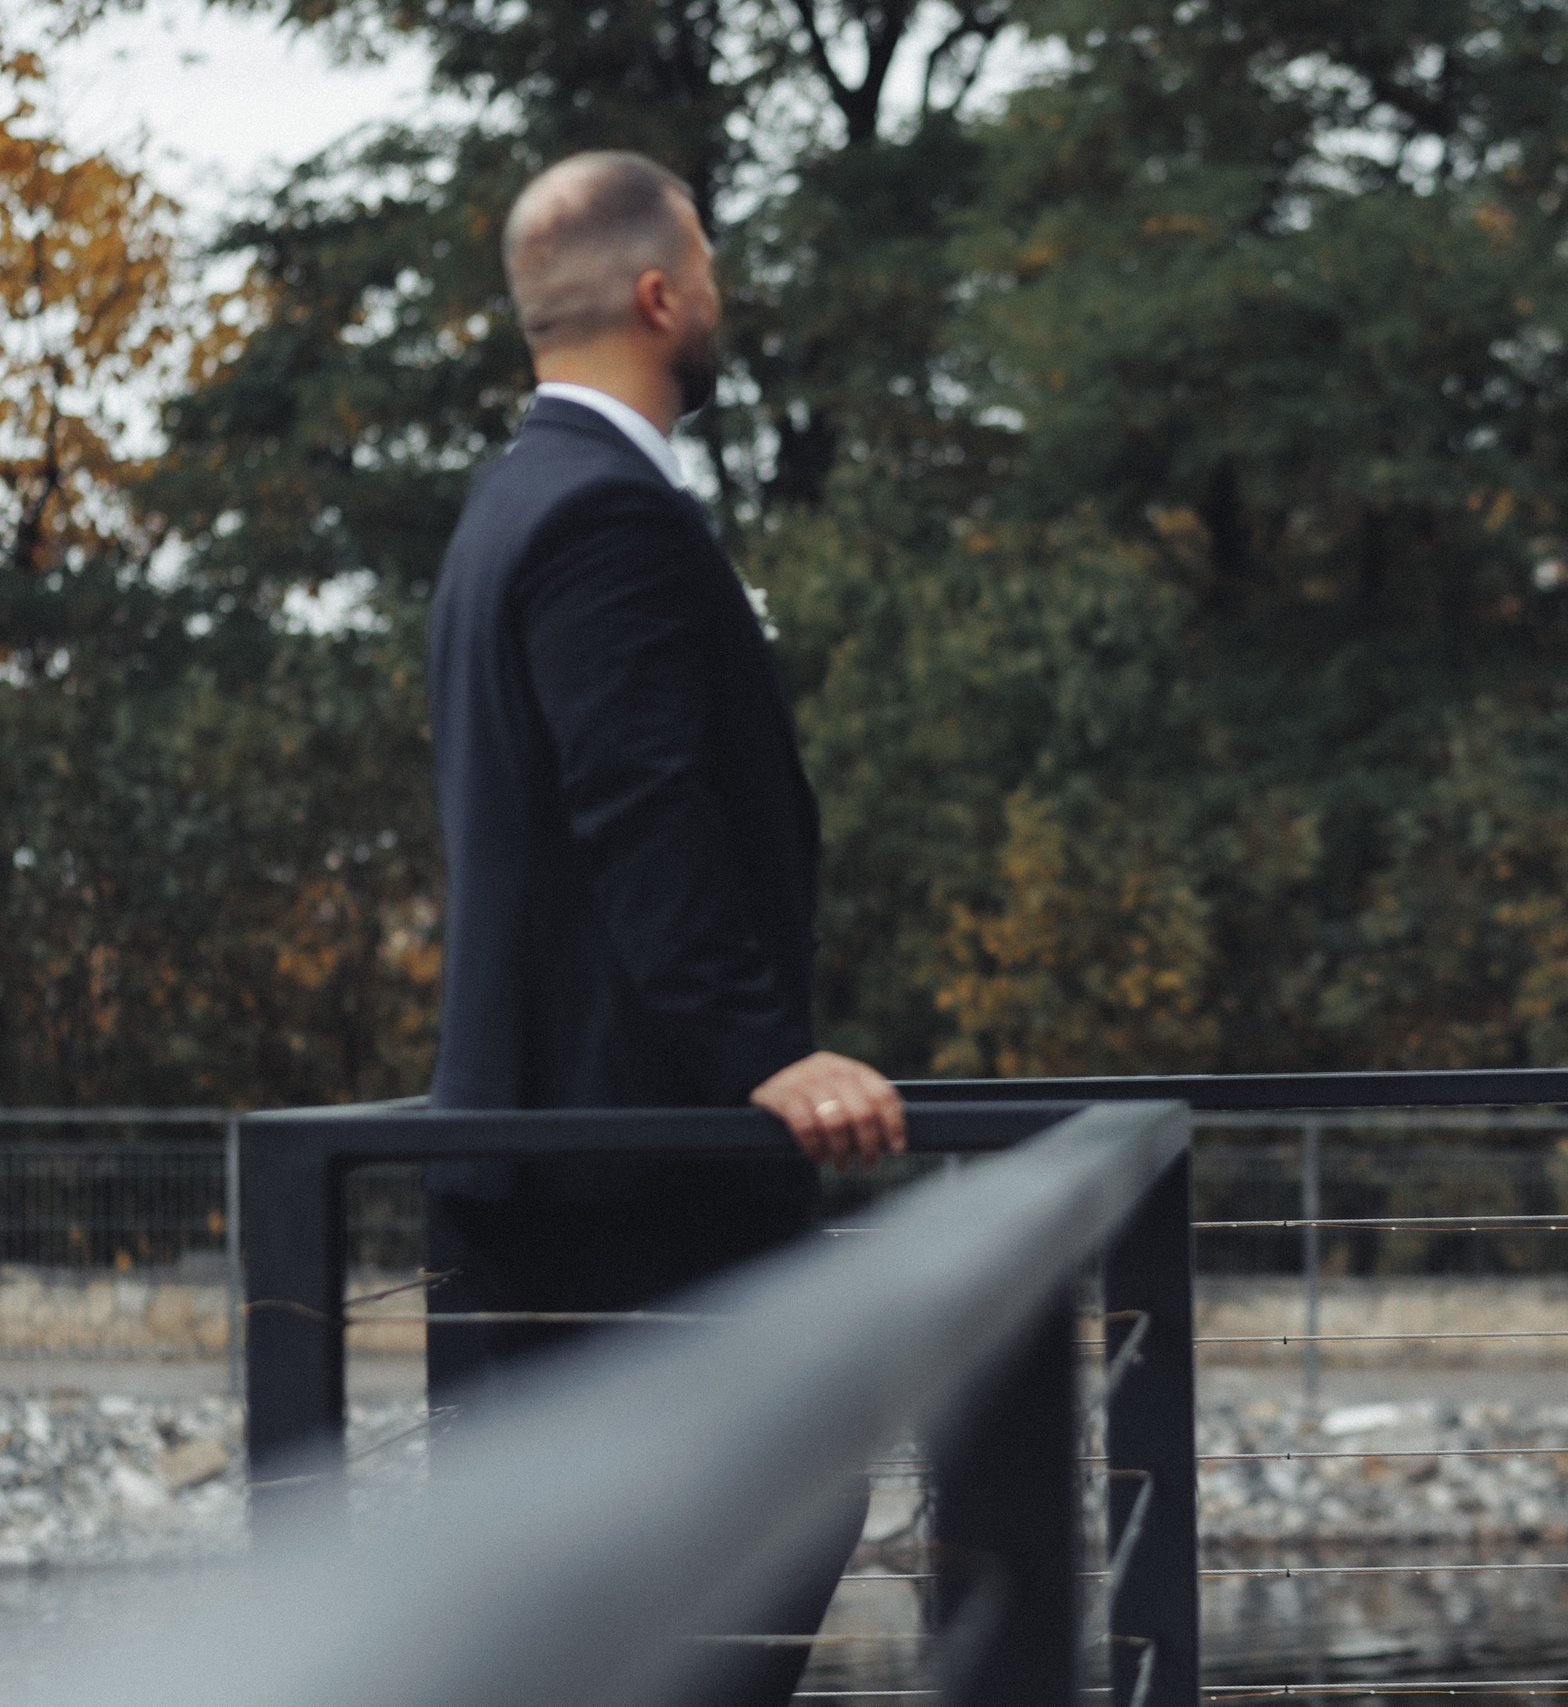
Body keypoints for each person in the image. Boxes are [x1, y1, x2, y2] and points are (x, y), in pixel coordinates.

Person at [425, 150, 903, 1706]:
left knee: (589, 1625)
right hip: (626, 1179)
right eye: (705, 265)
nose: (717, 295)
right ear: (658, 294)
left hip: (547, 1167)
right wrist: (768, 1048)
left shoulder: (514, 502)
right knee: (723, 1578)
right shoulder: (604, 518)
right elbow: (640, 804)